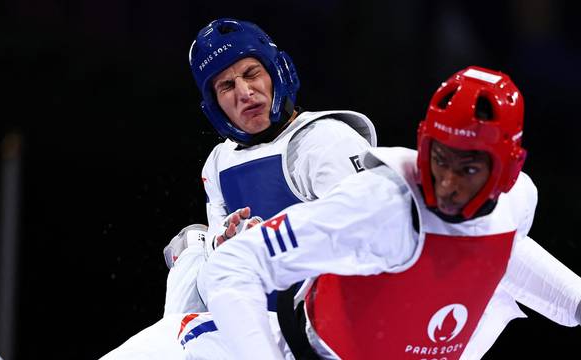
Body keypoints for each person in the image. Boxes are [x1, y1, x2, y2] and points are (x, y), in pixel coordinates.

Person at [194, 66, 581, 359]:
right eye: (440, 159)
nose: (446, 184)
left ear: (506, 172)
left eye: (468, 169)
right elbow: (234, 264)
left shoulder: (515, 204)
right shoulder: (377, 205)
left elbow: (516, 262)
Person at [163, 17, 376, 315]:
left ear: (278, 73)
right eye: (226, 86)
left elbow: (371, 243)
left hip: (332, 324)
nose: (244, 92)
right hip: (256, 326)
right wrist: (221, 243)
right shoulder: (219, 163)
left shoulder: (326, 141)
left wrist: (275, 242)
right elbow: (220, 269)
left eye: (252, 73)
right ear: (215, 105)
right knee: (191, 245)